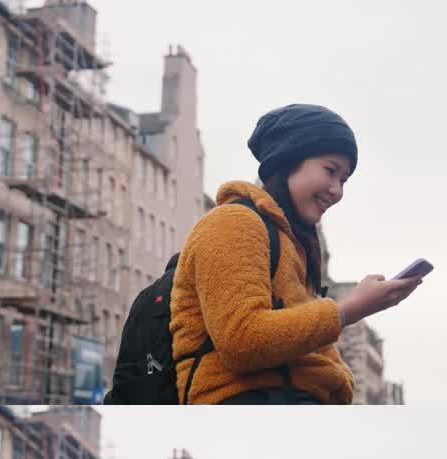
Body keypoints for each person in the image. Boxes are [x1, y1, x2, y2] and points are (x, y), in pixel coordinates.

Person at [170, 105, 422, 405]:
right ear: (288, 161)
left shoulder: (293, 245)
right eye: (331, 171)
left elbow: (304, 347)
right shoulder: (232, 223)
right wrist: (349, 310)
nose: (337, 191)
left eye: (344, 180)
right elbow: (242, 341)